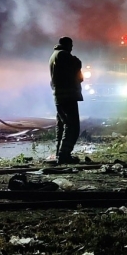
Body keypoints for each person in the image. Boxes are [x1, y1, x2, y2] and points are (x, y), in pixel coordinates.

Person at [49, 36, 84, 165]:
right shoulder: (64, 55)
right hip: (68, 96)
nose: (72, 48)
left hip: (59, 96)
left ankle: (60, 153)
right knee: (72, 126)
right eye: (71, 46)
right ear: (68, 45)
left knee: (62, 125)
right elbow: (76, 65)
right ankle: (64, 155)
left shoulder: (54, 55)